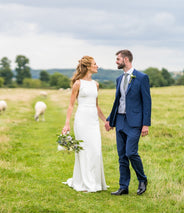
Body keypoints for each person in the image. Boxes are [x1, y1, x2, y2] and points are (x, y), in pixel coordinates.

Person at [105, 49, 151, 196]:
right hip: (120, 120)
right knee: (121, 155)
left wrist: (145, 124)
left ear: (126, 60)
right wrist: (110, 120)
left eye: (118, 59)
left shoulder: (142, 77)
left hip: (135, 122)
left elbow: (147, 102)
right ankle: (123, 187)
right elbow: (117, 102)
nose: (116, 62)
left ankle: (142, 179)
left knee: (131, 152)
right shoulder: (119, 79)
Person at [62, 56, 108, 192]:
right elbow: (71, 106)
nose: (97, 66)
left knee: (96, 151)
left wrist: (105, 121)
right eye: (95, 64)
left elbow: (97, 106)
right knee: (84, 151)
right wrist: (67, 124)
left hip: (93, 121)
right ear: (88, 67)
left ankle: (95, 181)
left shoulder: (96, 84)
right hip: (82, 121)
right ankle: (84, 183)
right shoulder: (78, 83)